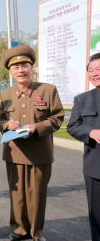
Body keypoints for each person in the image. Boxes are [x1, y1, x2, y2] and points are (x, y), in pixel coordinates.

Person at [0, 45, 64, 241]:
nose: (21, 70)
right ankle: (18, 229)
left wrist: (37, 128)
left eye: (24, 65)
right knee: (17, 194)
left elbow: (57, 117)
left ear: (31, 67)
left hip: (40, 152)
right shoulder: (5, 94)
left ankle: (36, 232)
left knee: (37, 195)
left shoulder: (48, 90)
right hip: (14, 152)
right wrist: (7, 124)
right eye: (16, 67)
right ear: (10, 71)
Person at [67, 52, 100, 241]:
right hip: (95, 167)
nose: (94, 73)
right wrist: (90, 132)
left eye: (99, 69)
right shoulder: (83, 99)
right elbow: (73, 126)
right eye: (91, 70)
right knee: (97, 217)